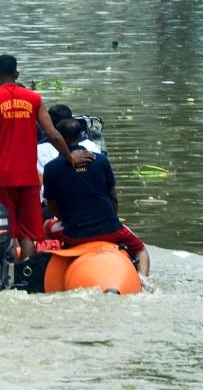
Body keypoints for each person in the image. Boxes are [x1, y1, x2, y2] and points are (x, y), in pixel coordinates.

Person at [0, 55, 92, 261]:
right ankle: (26, 271)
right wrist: (70, 157)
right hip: (28, 178)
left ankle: (8, 273)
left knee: (4, 231)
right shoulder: (34, 99)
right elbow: (53, 134)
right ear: (17, 74)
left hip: (1, 177)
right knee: (28, 235)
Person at [43, 118, 149, 276]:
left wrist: (66, 220)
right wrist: (111, 218)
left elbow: (52, 207)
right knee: (141, 250)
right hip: (110, 229)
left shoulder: (51, 168)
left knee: (46, 225)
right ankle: (142, 280)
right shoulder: (101, 160)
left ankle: (49, 266)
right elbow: (113, 196)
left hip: (74, 234)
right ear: (81, 136)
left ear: (58, 138)